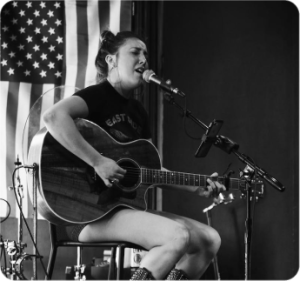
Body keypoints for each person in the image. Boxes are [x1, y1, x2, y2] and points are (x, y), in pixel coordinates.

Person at [42, 30, 226, 280]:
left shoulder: (138, 112)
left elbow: (149, 171)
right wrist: (97, 161)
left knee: (209, 240)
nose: (143, 59)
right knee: (176, 236)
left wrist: (198, 187)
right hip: (85, 216)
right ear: (112, 60)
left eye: (146, 54)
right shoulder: (98, 96)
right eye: (135, 52)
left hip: (123, 210)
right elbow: (54, 117)